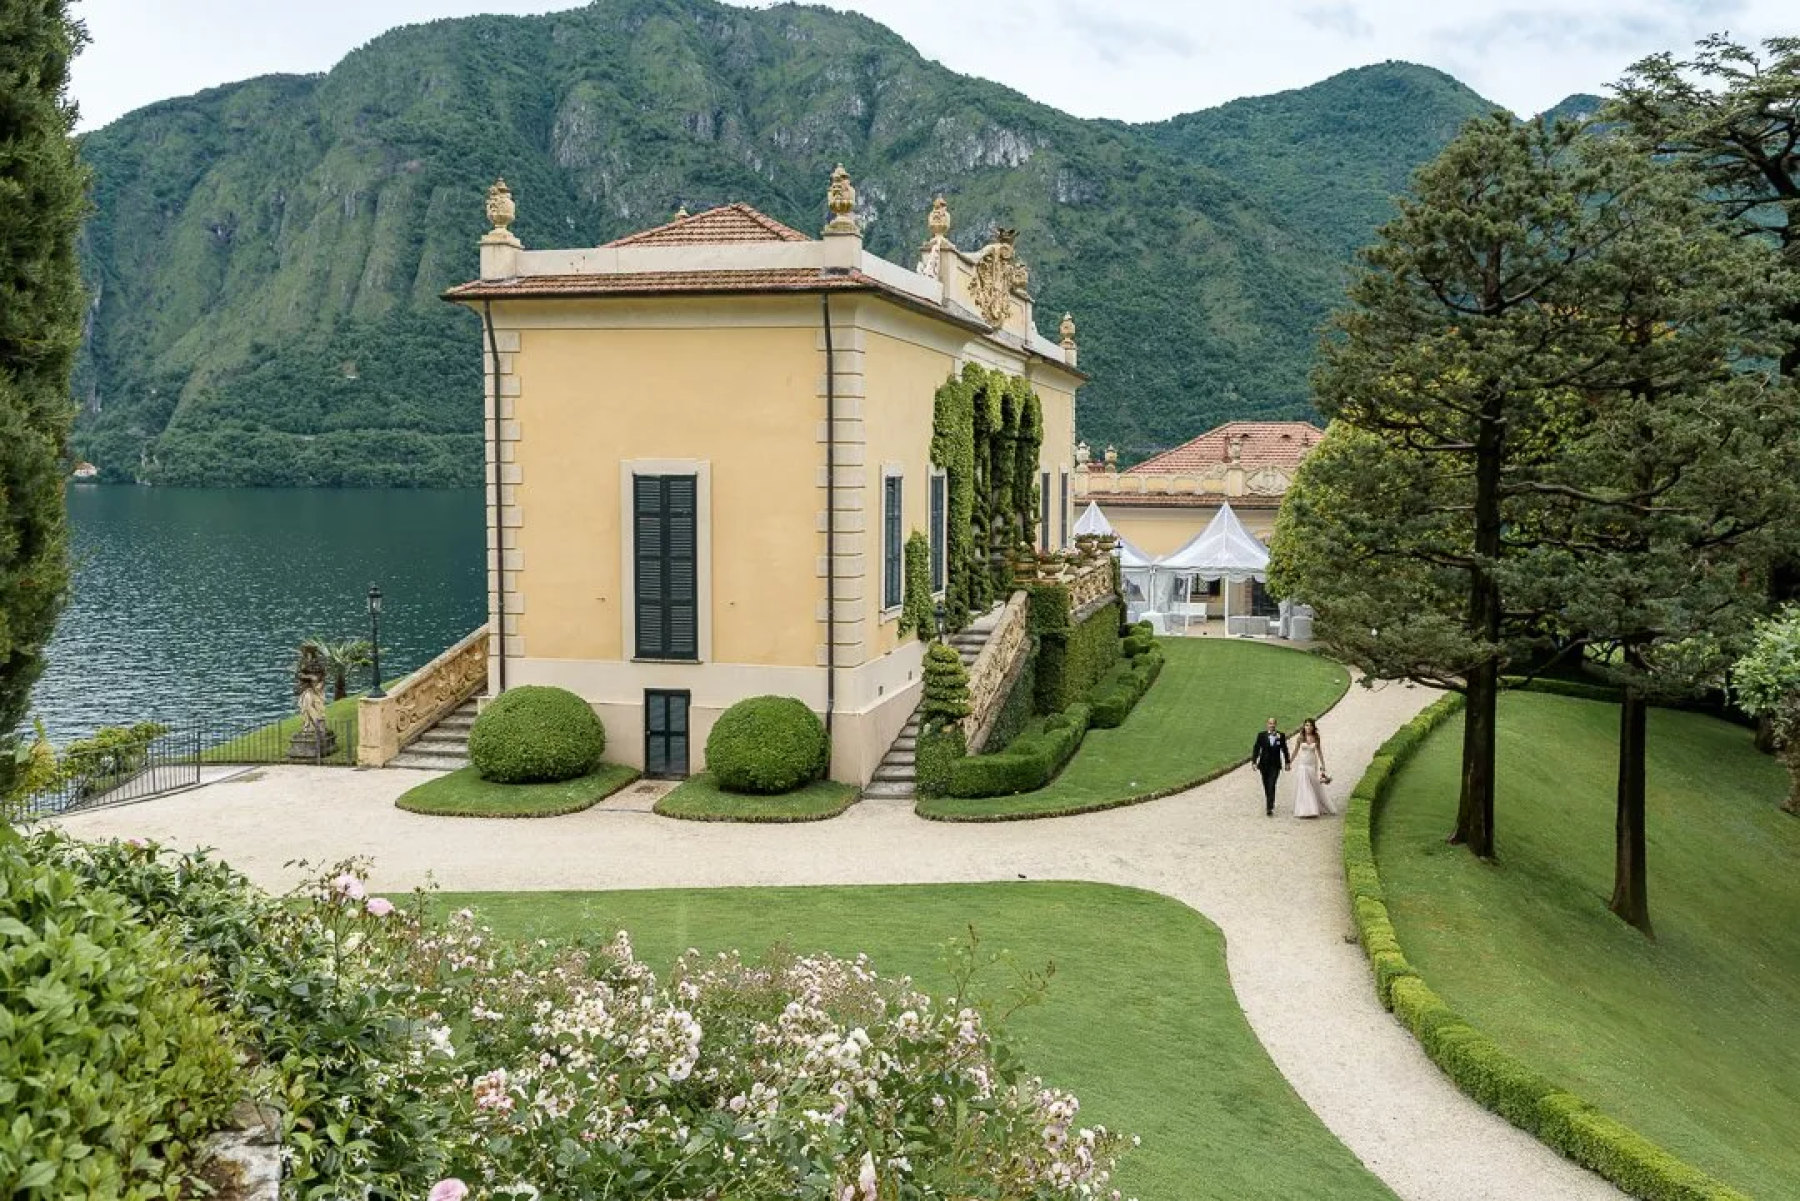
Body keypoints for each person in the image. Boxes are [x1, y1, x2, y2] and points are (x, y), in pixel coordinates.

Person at [1291, 717, 1335, 819]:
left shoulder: (1316, 737)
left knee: (1313, 784)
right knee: (1304, 785)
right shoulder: (1300, 737)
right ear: (1304, 726)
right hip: (1303, 763)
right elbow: (1296, 751)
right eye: (1306, 725)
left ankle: (1316, 805)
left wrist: (1323, 765)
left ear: (1313, 727)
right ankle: (1306, 809)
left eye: (1310, 725)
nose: (1308, 727)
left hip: (1312, 763)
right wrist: (1289, 762)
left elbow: (1319, 751)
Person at [1249, 716, 1289, 816]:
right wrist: (1254, 761)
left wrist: (1287, 762)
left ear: (1276, 724)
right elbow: (1256, 748)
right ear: (1267, 724)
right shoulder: (1261, 735)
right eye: (1270, 723)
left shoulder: (1281, 736)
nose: (1272, 725)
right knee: (1266, 785)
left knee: (1272, 784)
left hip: (1275, 765)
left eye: (1273, 723)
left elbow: (1284, 749)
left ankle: (1269, 806)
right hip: (1264, 765)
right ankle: (1270, 801)